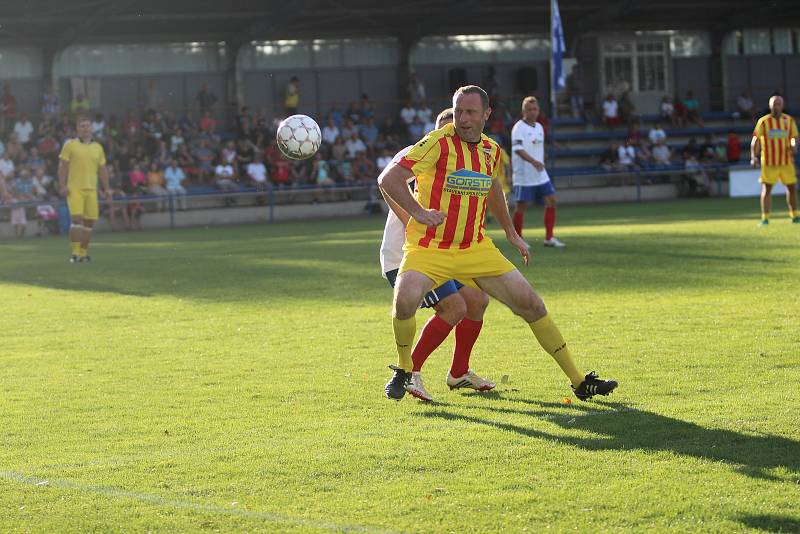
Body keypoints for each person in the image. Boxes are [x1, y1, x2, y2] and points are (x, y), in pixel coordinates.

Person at [378, 85, 618, 402]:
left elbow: (492, 188)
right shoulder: (437, 143)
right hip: (430, 248)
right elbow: (387, 178)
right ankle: (404, 369)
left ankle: (578, 380)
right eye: (459, 111)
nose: (463, 119)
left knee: (532, 305)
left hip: (475, 250)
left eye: (471, 112)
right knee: (405, 301)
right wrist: (419, 213)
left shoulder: (490, 150)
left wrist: (510, 232)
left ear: (486, 114)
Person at [379, 108, 495, 401]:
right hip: (408, 254)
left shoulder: (462, 156)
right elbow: (385, 182)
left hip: (445, 251)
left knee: (478, 300)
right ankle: (409, 373)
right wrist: (411, 219)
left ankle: (458, 373)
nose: (451, 135)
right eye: (445, 130)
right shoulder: (418, 153)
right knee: (454, 308)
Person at [511, 96, 565, 247]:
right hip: (524, 174)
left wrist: (541, 159)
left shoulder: (540, 127)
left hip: (540, 173)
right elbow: (518, 150)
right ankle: (518, 239)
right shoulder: (518, 128)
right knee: (521, 206)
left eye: (535, 109)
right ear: (523, 111)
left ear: (538, 110)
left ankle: (549, 238)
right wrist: (534, 162)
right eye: (529, 109)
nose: (533, 112)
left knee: (552, 201)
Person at [58, 116, 111, 263]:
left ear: (92, 128)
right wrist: (62, 186)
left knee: (89, 222)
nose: (85, 128)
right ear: (77, 129)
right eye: (82, 126)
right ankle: (74, 254)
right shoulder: (70, 145)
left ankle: (83, 254)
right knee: (77, 219)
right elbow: (62, 167)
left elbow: (102, 169)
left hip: (91, 190)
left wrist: (107, 189)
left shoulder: (98, 147)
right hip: (74, 189)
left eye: (88, 126)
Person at [751, 95, 799, 225]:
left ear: (782, 106)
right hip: (769, 162)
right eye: (774, 104)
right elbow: (755, 140)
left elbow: (794, 137)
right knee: (766, 189)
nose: (776, 106)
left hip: (786, 161)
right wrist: (754, 157)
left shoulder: (788, 120)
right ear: (770, 106)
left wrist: (794, 146)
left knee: (792, 188)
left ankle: (795, 216)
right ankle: (765, 218)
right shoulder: (764, 122)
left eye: (779, 104)